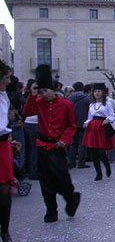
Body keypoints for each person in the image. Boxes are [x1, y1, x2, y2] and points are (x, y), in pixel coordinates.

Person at [22, 65, 81, 223]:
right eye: (41, 92)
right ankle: (51, 210)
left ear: (53, 89)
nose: (44, 95)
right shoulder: (39, 102)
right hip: (42, 145)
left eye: (45, 91)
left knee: (62, 178)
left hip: (57, 146)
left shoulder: (66, 104)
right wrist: (33, 94)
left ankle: (71, 198)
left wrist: (65, 140)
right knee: (45, 180)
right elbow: (27, 112)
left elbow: (71, 126)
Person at [0, 60, 20, 242]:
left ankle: (5, 231)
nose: (8, 81)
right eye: (5, 77)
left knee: (5, 191)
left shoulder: (4, 95)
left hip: (3, 145)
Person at [82, 83, 115, 181]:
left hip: (102, 127)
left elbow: (112, 115)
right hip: (93, 127)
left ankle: (107, 166)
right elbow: (90, 117)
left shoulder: (107, 103)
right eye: (95, 91)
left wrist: (108, 119)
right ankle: (98, 173)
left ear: (103, 93)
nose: (97, 93)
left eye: (99, 91)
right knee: (94, 152)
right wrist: (86, 122)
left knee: (101, 151)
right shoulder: (91, 104)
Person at [66, 81, 91, 169]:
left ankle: (71, 162)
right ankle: (81, 162)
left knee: (73, 143)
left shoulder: (69, 98)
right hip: (84, 123)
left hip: (72, 123)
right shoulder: (87, 99)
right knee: (82, 143)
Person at [23, 80, 39, 180]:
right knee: (34, 148)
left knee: (33, 148)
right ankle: (33, 171)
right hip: (32, 123)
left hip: (35, 123)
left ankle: (33, 170)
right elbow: (27, 112)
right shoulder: (30, 97)